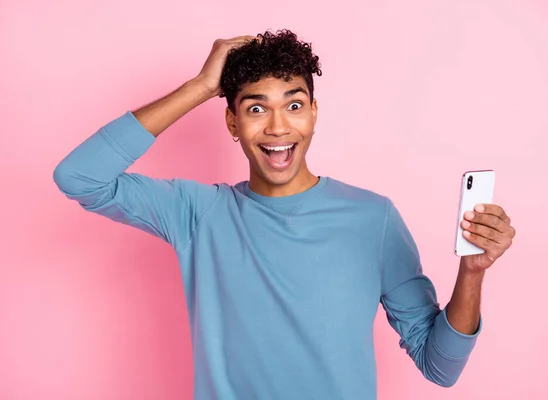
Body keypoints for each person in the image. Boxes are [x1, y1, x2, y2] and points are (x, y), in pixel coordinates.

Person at [53, 29, 516, 399]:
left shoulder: (373, 219)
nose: (277, 127)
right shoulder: (196, 212)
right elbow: (79, 177)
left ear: (313, 113)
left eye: (294, 105)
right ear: (232, 122)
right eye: (256, 108)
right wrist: (199, 88)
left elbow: (439, 367)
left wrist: (472, 272)